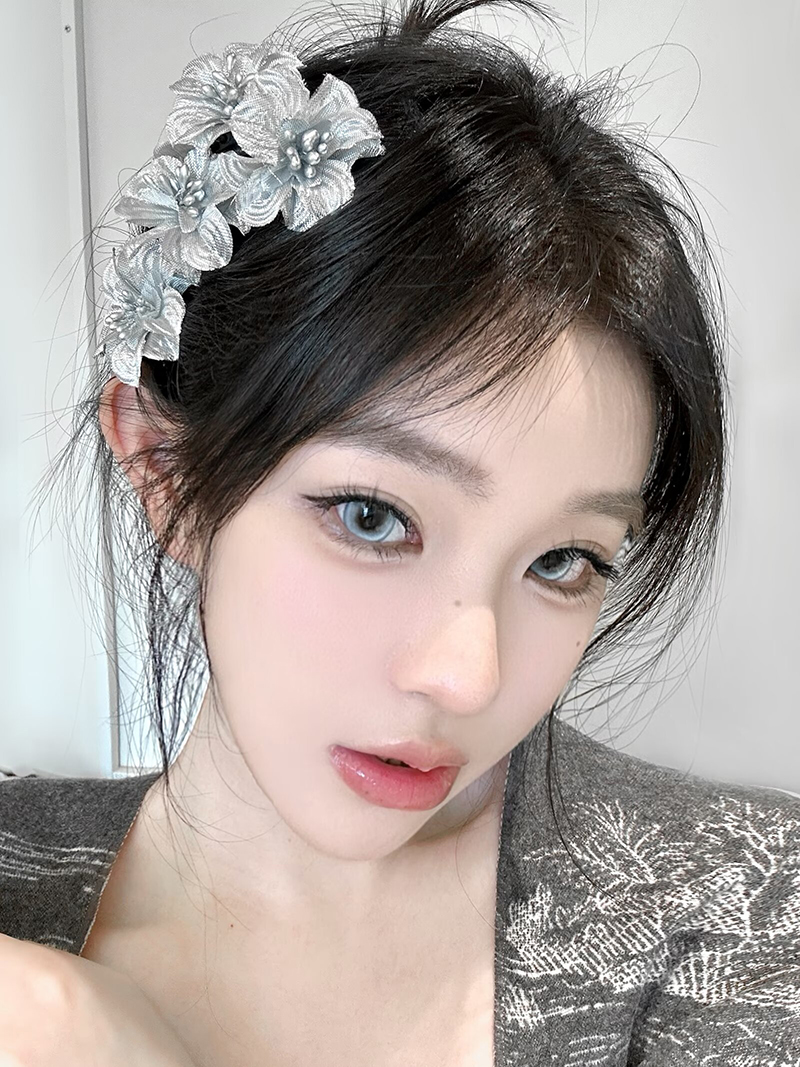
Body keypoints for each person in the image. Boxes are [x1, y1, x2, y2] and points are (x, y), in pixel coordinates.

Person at [1, 0, 798, 1063]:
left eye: (562, 560)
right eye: (373, 517)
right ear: (165, 471)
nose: (468, 676)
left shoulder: (745, 913)